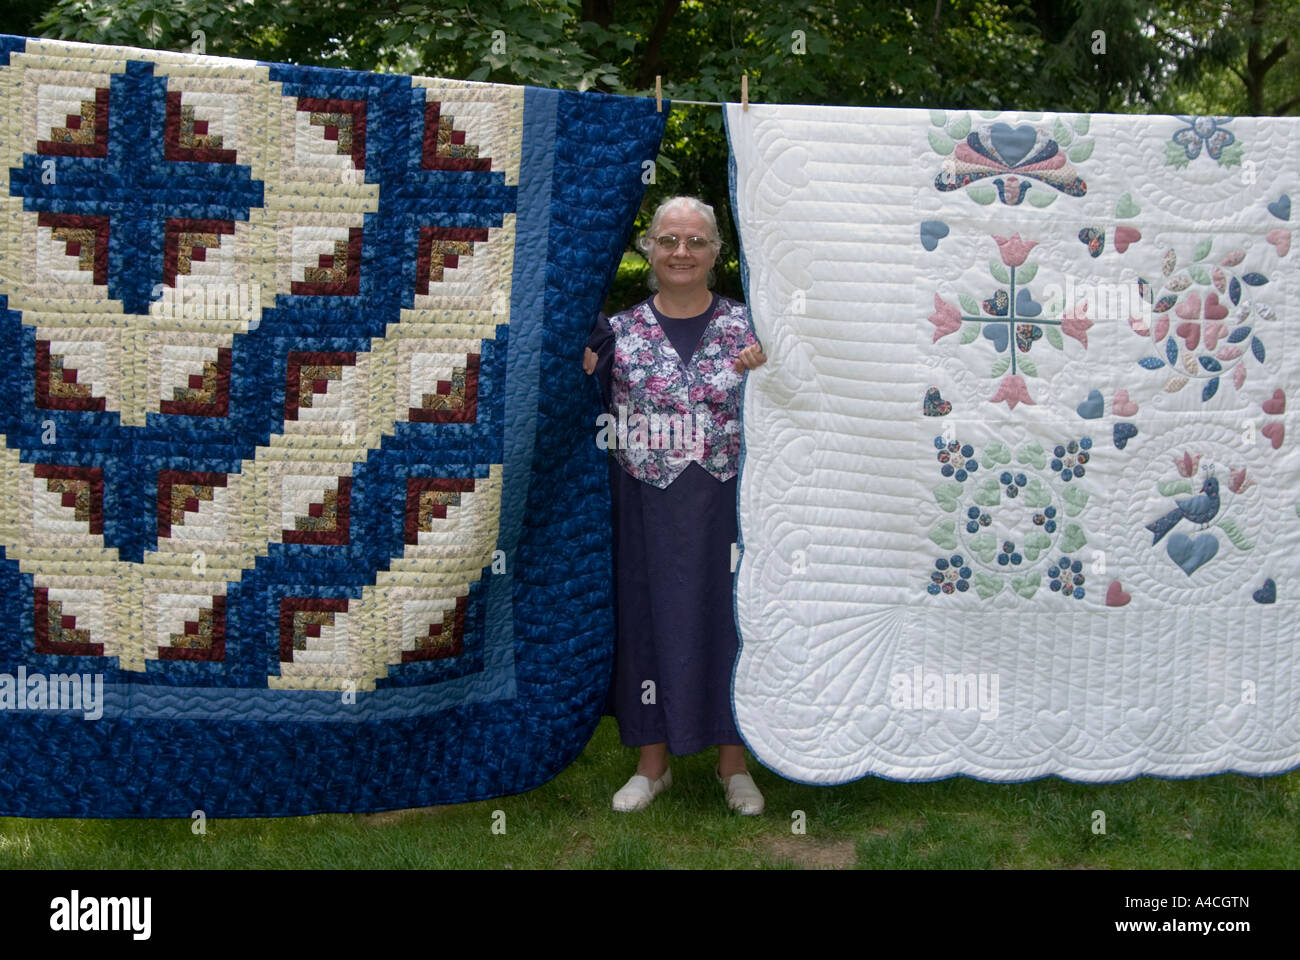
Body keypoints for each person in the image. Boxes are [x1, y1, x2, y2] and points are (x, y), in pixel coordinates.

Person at [582, 195, 768, 814]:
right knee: (647, 619)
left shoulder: (752, 328)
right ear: (649, 249)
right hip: (645, 506)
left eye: (695, 242)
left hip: (728, 504)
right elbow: (576, 406)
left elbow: (797, 405)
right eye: (668, 240)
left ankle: (733, 762)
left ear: (716, 252)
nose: (680, 252)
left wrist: (769, 371)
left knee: (730, 621)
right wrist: (581, 372)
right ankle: (652, 762)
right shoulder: (617, 332)